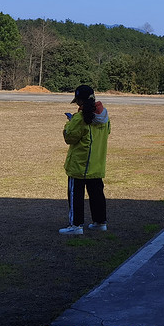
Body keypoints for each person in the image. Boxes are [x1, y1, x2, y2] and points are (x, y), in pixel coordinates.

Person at [60, 85, 111, 234]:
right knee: (97, 194)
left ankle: (75, 225)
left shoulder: (80, 118)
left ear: (79, 101)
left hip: (80, 164)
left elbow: (69, 137)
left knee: (75, 195)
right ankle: (100, 222)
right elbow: (107, 131)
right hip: (97, 163)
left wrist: (70, 122)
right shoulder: (105, 116)